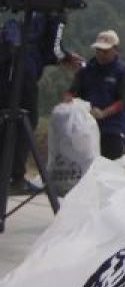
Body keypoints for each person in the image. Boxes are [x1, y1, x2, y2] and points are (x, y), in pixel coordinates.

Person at [0, 11, 82, 192]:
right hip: (25, 71)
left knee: (6, 122)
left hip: (5, 69)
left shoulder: (32, 9)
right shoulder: (56, 12)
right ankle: (16, 178)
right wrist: (68, 57)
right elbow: (55, 49)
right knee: (27, 122)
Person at [67, 30, 125, 160]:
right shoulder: (87, 70)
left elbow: (124, 100)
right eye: (98, 50)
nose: (101, 54)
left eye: (105, 51)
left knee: (110, 167)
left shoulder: (122, 72)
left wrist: (104, 113)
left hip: (111, 129)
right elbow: (73, 92)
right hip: (85, 129)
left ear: (115, 49)